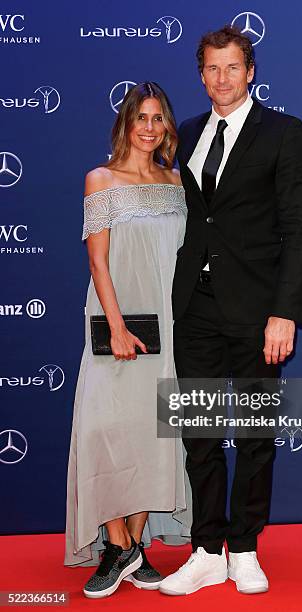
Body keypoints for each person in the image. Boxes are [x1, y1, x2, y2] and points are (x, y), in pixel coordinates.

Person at [159, 26, 302, 596]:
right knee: (199, 432)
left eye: (232, 68)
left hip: (257, 310)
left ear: (250, 72)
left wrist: (285, 312)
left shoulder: (283, 132)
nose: (221, 79)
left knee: (253, 433)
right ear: (200, 75)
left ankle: (244, 546)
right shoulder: (192, 132)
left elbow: (298, 228)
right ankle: (205, 550)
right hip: (195, 306)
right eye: (211, 69)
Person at [64, 82, 190, 599]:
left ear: (166, 127)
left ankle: (130, 546)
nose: (149, 127)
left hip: (170, 324)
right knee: (105, 430)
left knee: (152, 435)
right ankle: (116, 542)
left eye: (158, 118)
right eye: (141, 117)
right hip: (117, 325)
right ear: (125, 123)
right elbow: (98, 262)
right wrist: (116, 327)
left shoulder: (178, 182)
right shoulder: (101, 180)